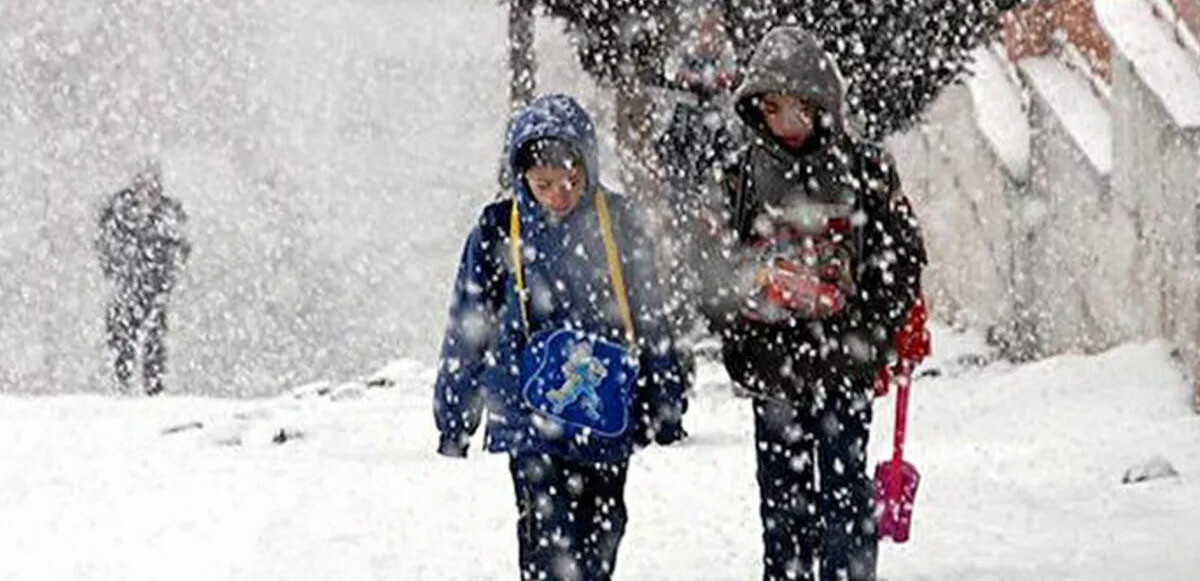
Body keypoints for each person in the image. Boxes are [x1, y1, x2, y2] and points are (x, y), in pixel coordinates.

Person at [700, 28, 927, 581]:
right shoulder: (735, 175)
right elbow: (705, 264)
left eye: (801, 107)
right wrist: (748, 300)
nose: (787, 122)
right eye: (773, 108)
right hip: (770, 362)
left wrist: (869, 321)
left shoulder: (865, 167)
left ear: (824, 103)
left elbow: (901, 252)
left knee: (845, 490)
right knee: (782, 499)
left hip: (845, 359)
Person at [432, 94, 687, 581]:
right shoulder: (496, 230)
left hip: (604, 411)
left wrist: (664, 398)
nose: (559, 194)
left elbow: (649, 314)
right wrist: (455, 413)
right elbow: (469, 325)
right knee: (548, 542)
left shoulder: (620, 222)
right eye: (543, 183)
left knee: (603, 532)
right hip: (529, 416)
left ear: (588, 167)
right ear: (521, 176)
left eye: (572, 180)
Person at [95, 158, 191, 396]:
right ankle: (122, 384)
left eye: (152, 182)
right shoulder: (119, 210)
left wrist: (169, 275)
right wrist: (116, 268)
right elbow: (105, 243)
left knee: (154, 339)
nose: (147, 188)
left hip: (156, 286)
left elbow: (181, 246)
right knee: (121, 335)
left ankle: (153, 389)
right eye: (143, 181)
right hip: (126, 285)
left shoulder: (168, 213)